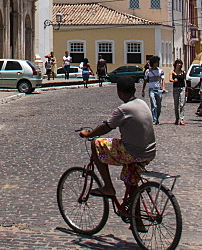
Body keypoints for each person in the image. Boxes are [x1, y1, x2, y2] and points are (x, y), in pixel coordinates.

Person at [79, 75, 156, 203]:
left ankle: (108, 187)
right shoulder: (142, 103)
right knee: (130, 182)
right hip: (149, 152)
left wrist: (89, 134)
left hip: (133, 153)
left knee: (96, 143)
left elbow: (106, 127)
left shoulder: (124, 109)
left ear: (119, 92)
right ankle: (136, 221)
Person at [141, 55, 165, 125]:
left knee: (159, 105)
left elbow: (163, 80)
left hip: (158, 89)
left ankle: (157, 118)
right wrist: (143, 90)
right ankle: (154, 119)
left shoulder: (160, 71)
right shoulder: (148, 71)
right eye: (156, 62)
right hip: (151, 89)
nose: (157, 64)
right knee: (153, 105)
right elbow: (145, 81)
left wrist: (163, 88)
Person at [170, 58, 186, 125]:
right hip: (175, 88)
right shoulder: (172, 72)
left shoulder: (183, 72)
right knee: (176, 104)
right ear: (175, 64)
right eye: (178, 63)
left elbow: (185, 80)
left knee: (182, 104)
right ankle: (177, 118)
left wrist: (187, 89)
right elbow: (170, 79)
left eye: (180, 63)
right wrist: (174, 80)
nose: (179, 65)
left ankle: (181, 119)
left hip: (182, 88)